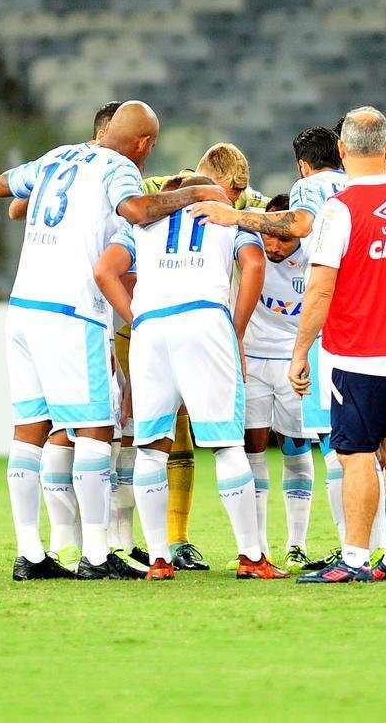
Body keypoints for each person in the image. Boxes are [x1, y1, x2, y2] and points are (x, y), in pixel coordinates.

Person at [0, 100, 229, 580]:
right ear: (144, 144)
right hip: (70, 311)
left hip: (22, 308)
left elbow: (0, 185)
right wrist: (193, 195)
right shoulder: (117, 167)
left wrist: (35, 187)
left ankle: (30, 553)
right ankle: (96, 555)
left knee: (30, 428)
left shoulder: (59, 156)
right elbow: (137, 208)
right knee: (98, 431)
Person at [190, 127, 386, 567]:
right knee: (362, 446)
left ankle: (336, 546)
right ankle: (370, 546)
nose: (276, 244)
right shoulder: (361, 190)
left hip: (316, 349)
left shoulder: (308, 206)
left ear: (302, 165)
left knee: (327, 449)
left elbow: (293, 221)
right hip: (324, 339)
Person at [94, 175, 289, 580]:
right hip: (204, 320)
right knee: (226, 444)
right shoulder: (227, 217)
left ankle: (160, 560)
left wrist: (139, 319)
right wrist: (235, 330)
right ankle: (252, 558)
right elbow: (253, 264)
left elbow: (104, 271)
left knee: (150, 446)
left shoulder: (142, 223)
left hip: (150, 328)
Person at [288, 106, 386, 584]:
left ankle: (355, 558)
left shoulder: (339, 209)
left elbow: (319, 290)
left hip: (359, 352)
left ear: (341, 150)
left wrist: (300, 352)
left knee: (356, 454)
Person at [237, 193, 317, 571]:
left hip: (293, 359)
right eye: (269, 235)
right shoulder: (250, 242)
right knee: (252, 448)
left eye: (282, 237)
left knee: (296, 447)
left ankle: (297, 544)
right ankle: (259, 547)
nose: (273, 244)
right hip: (252, 358)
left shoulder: (316, 251)